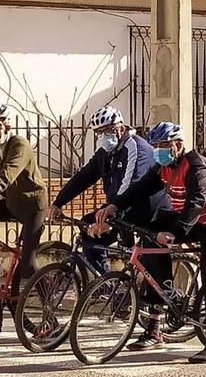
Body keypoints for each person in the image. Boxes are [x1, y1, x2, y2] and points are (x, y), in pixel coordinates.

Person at [95, 122, 206, 363]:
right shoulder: (163, 166)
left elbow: (195, 204)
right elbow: (141, 188)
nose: (158, 150)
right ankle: (165, 296)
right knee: (150, 237)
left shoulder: (196, 168)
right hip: (195, 220)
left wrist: (174, 233)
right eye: (155, 146)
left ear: (178, 144)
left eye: (163, 145)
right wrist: (114, 206)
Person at [47, 105, 166, 273]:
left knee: (145, 262)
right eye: (99, 132)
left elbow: (130, 189)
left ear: (121, 129)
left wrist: (110, 220)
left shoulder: (135, 148)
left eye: (108, 130)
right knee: (88, 229)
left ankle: (121, 282)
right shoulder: (105, 152)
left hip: (144, 208)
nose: (103, 136)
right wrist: (58, 203)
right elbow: (84, 177)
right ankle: (105, 282)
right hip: (118, 206)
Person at [0, 103, 47, 302]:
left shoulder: (19, 145)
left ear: (6, 125)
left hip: (32, 207)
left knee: (27, 266)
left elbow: (8, 173)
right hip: (12, 204)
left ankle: (49, 302)